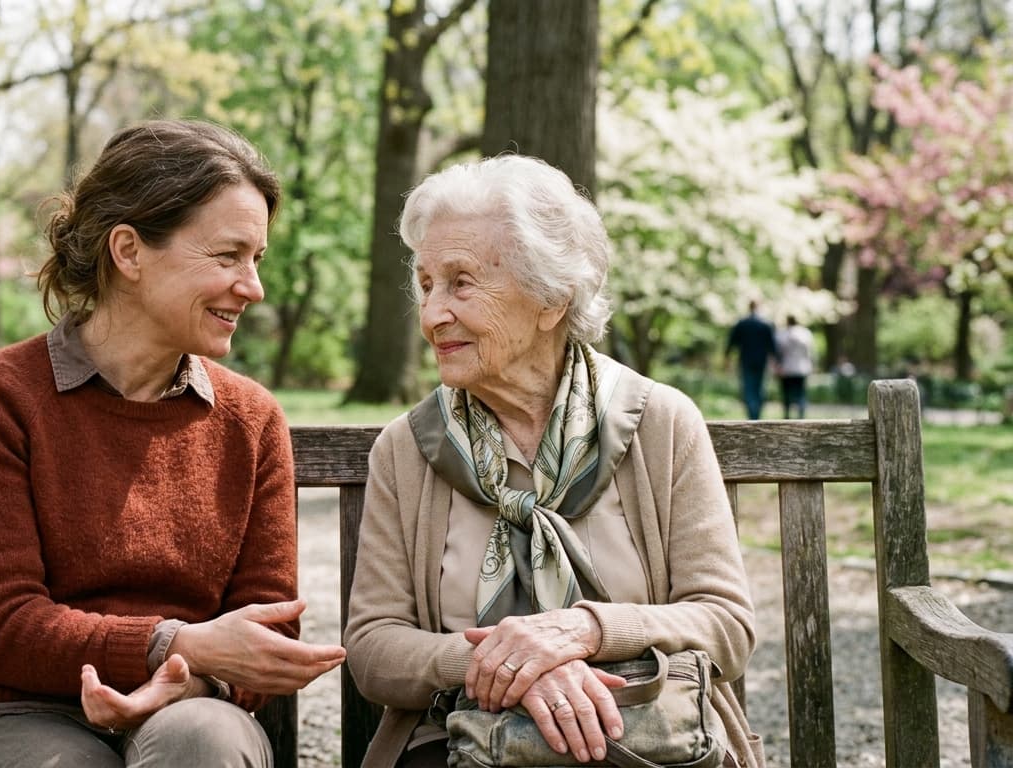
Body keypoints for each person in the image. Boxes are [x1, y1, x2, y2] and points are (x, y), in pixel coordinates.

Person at [0, 119, 347, 768]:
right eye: (228, 256)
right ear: (129, 251)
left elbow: (269, 630)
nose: (253, 287)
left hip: (191, 708)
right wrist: (178, 645)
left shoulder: (251, 419)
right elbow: (4, 627)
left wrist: (177, 680)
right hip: (7, 710)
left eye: (256, 260)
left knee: (202, 748)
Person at [343, 156, 761, 768]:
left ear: (552, 299)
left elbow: (725, 624)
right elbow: (375, 649)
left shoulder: (660, 423)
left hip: (643, 737)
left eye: (461, 283)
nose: (433, 315)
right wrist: (508, 667)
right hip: (464, 744)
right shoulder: (408, 448)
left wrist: (582, 633)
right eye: (426, 283)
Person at [725, 301, 775, 420]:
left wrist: (727, 357)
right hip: (761, 361)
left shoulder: (742, 323)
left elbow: (732, 342)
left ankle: (751, 415)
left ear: (749, 307)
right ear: (758, 307)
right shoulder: (766, 324)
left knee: (748, 389)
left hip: (745, 360)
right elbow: (772, 345)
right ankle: (757, 415)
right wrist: (775, 360)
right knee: (760, 388)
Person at [775, 315, 814, 419]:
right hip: (801, 368)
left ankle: (787, 416)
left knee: (787, 394)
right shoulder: (805, 333)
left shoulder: (781, 334)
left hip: (786, 369)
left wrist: (777, 366)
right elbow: (809, 352)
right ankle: (801, 416)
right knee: (801, 393)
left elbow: (778, 353)